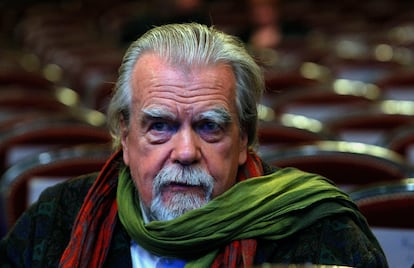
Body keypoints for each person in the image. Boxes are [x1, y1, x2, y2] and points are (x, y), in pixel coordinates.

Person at [0, 23, 387, 267]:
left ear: (244, 141)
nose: (185, 153)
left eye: (209, 127)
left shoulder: (322, 235)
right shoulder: (57, 221)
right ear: (125, 135)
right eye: (160, 126)